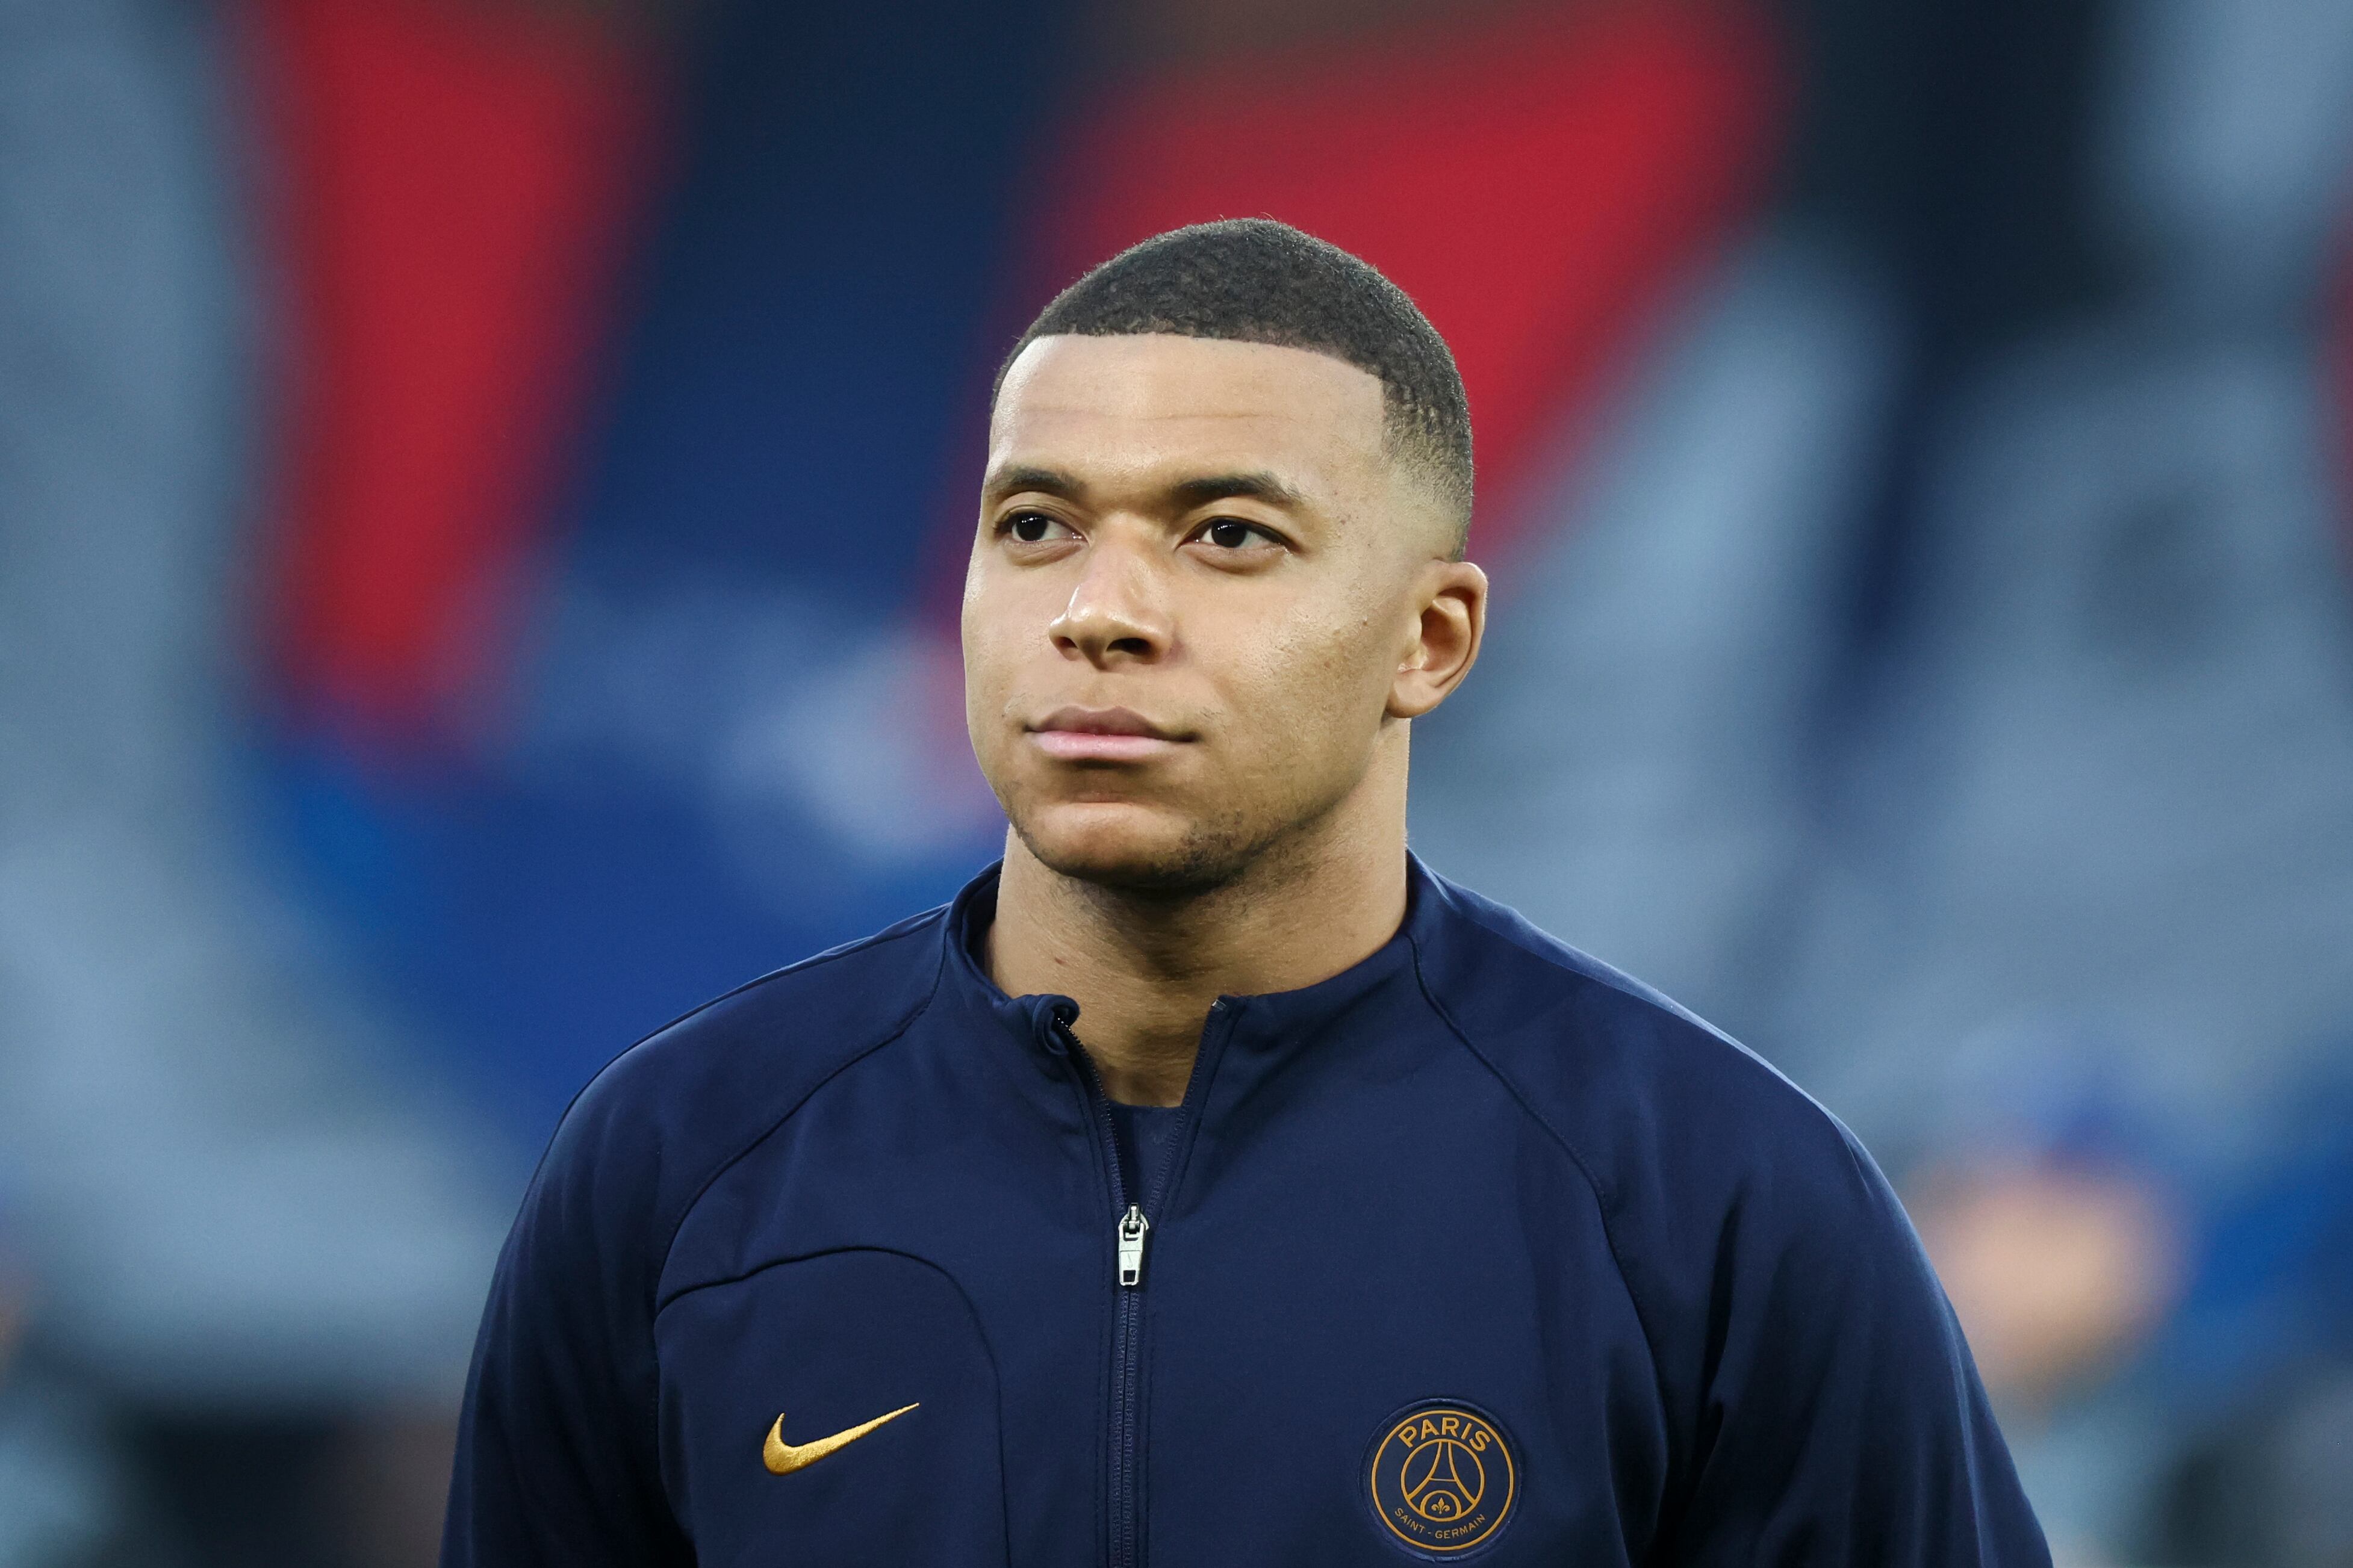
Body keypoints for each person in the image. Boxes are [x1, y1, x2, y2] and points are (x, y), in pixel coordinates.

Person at [441, 219, 2049, 1566]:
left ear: (1429, 641)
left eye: (1223, 534)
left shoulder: (1717, 1202)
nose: (1101, 611)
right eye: (1034, 525)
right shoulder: (677, 1163)